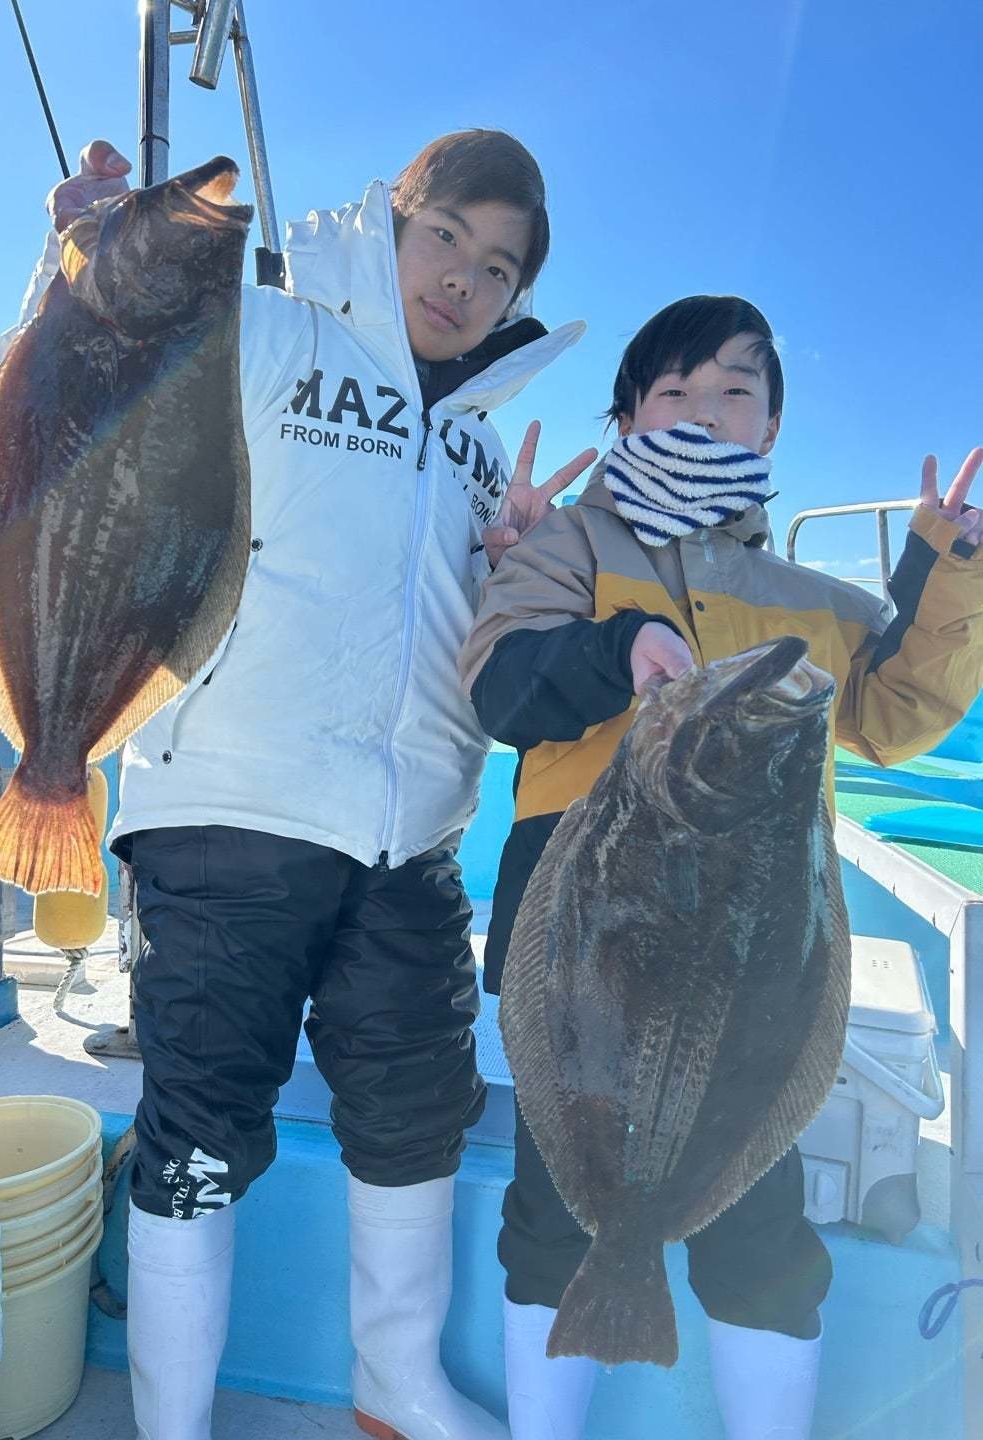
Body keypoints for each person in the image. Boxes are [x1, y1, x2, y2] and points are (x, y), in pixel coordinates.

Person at [4, 132, 596, 1440]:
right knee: (198, 1137)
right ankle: (172, 1424)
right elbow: (86, 393)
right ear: (391, 222)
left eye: (500, 267)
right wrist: (86, 256)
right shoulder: (269, 331)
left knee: (416, 1119)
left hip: (412, 845)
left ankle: (396, 1383)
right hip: (228, 813)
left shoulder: (484, 447)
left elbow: (462, 645)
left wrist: (522, 574)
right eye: (445, 235)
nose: (464, 277)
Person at [458, 293, 983, 1440]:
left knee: (760, 1228)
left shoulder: (811, 601)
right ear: (627, 418)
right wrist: (616, 647)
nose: (705, 409)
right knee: (552, 1214)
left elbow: (892, 715)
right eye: (676, 390)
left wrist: (948, 569)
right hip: (589, 951)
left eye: (736, 390)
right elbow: (503, 686)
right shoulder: (570, 545)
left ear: (772, 428)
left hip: (751, 956)